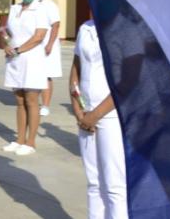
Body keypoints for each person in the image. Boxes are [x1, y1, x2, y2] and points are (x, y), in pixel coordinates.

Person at [71, 19, 128, 219]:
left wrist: (95, 115)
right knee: (94, 182)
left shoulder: (126, 28)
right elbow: (77, 68)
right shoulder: (85, 28)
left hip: (111, 115)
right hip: (85, 114)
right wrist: (78, 108)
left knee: (114, 185)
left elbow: (129, 81)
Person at [1, 0, 50, 156]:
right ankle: (19, 139)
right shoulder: (14, 9)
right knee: (19, 100)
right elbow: (6, 31)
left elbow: (39, 37)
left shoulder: (41, 10)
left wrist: (19, 49)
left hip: (32, 59)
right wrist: (6, 44)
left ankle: (31, 142)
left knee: (31, 100)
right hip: (15, 59)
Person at [36, 0, 63, 118]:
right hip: (33, 45)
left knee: (46, 75)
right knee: (34, 74)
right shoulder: (30, 5)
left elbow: (56, 25)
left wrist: (50, 44)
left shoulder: (50, 5)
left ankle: (45, 105)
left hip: (47, 44)